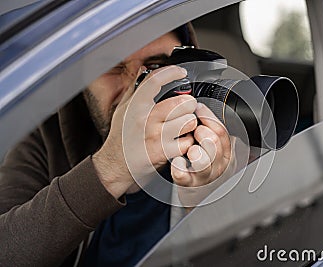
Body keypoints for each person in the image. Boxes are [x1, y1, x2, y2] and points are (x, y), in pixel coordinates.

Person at [0, 23, 234, 267]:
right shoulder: (47, 140)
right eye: (112, 67)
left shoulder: (223, 140)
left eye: (157, 67)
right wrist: (111, 167)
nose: (139, 87)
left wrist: (206, 206)